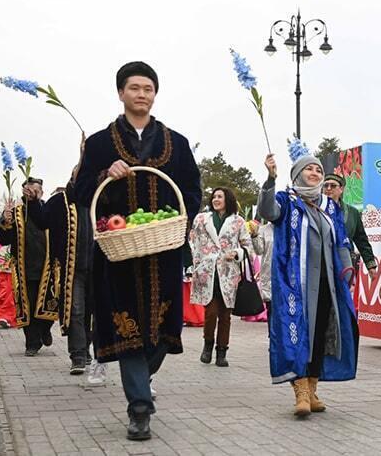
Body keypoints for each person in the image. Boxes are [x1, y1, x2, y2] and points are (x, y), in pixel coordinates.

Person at [74, 61, 202, 441]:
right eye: (134, 87)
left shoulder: (176, 143)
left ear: (155, 94)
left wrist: (179, 224)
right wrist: (103, 175)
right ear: (121, 93)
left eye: (148, 88)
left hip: (163, 252)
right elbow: (81, 192)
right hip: (119, 256)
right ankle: (140, 409)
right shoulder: (99, 143)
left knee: (164, 331)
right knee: (127, 329)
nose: (141, 94)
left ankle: (140, 380)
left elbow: (192, 192)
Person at [257, 140, 358, 417]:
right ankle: (299, 391)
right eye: (309, 169)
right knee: (298, 333)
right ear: (297, 174)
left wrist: (347, 269)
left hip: (327, 282)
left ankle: (312, 388)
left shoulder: (330, 206)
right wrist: (270, 179)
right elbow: (267, 212)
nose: (315, 172)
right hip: (295, 284)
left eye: (317, 169)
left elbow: (341, 239)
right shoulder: (286, 201)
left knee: (321, 332)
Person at [25, 139, 96, 375]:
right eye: (81, 174)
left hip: (97, 268)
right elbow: (42, 220)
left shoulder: (98, 200)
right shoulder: (59, 201)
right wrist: (33, 202)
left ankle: (86, 349)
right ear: (74, 177)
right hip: (70, 269)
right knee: (75, 310)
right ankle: (77, 356)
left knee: (92, 312)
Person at [188, 187, 252, 367]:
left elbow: (248, 246)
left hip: (228, 272)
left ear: (228, 199)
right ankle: (207, 345)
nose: (216, 199)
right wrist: (198, 260)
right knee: (211, 312)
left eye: (220, 197)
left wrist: (237, 253)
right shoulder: (202, 218)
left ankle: (222, 352)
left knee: (225, 315)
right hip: (207, 271)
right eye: (214, 196)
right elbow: (192, 240)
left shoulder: (238, 221)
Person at [0, 178, 56, 356]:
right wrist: (5, 223)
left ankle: (45, 329)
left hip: (48, 268)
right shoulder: (13, 213)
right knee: (27, 307)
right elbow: (3, 240)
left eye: (34, 190)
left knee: (50, 305)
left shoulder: (48, 211)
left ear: (41, 192)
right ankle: (32, 342)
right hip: (24, 269)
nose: (30, 192)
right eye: (27, 190)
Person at [322, 174, 377, 281]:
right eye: (325, 185)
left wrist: (370, 265)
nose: (328, 189)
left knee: (344, 295)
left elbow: (361, 240)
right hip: (321, 264)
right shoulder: (316, 209)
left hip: (345, 263)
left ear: (341, 189)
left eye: (333, 186)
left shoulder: (352, 213)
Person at [250, 218, 274, 331]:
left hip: (287, 276)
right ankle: (272, 340)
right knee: (272, 309)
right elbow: (259, 250)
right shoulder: (264, 230)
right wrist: (254, 235)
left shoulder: (289, 227)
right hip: (269, 274)